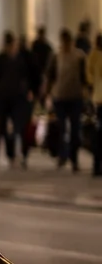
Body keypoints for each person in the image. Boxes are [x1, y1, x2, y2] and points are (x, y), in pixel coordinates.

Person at [0, 32, 35, 168]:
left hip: (17, 98)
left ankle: (16, 154)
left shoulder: (20, 59)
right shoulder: (3, 60)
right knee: (2, 127)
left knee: (18, 127)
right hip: (4, 98)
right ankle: (7, 153)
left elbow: (30, 76)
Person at [45, 28, 87, 172]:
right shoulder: (56, 56)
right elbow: (50, 76)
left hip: (75, 97)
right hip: (60, 97)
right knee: (62, 128)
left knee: (74, 129)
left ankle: (73, 158)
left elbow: (84, 77)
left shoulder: (79, 56)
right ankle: (63, 156)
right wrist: (47, 94)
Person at [88, 27, 102, 176]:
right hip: (99, 99)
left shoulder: (93, 55)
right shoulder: (94, 56)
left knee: (98, 133)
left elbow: (89, 76)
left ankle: (96, 165)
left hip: (98, 99)